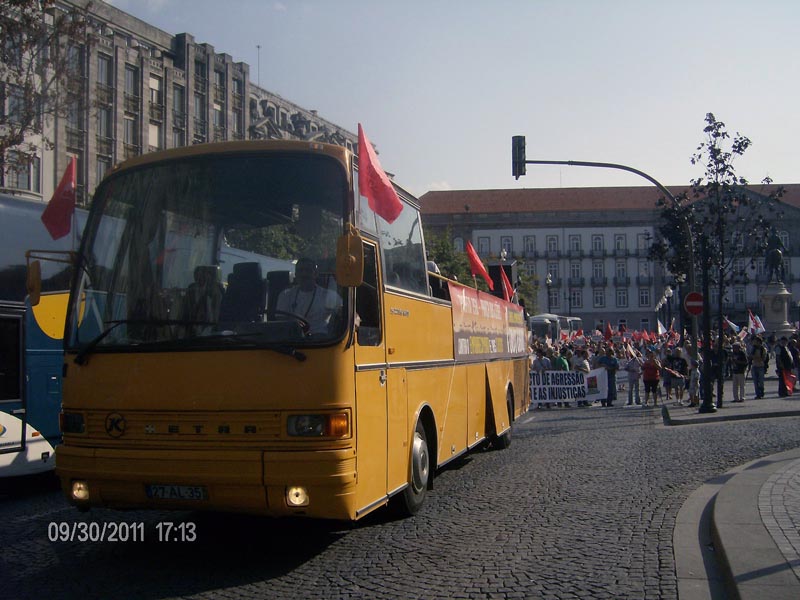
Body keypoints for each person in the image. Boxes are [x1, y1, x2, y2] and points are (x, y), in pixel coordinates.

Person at [276, 258, 342, 335]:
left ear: (316, 274)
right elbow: (280, 319)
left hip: (320, 339)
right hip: (293, 337)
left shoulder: (328, 295)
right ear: (296, 274)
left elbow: (344, 313)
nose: (304, 274)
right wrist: (293, 323)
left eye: (308, 270)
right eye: (300, 270)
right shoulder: (286, 295)